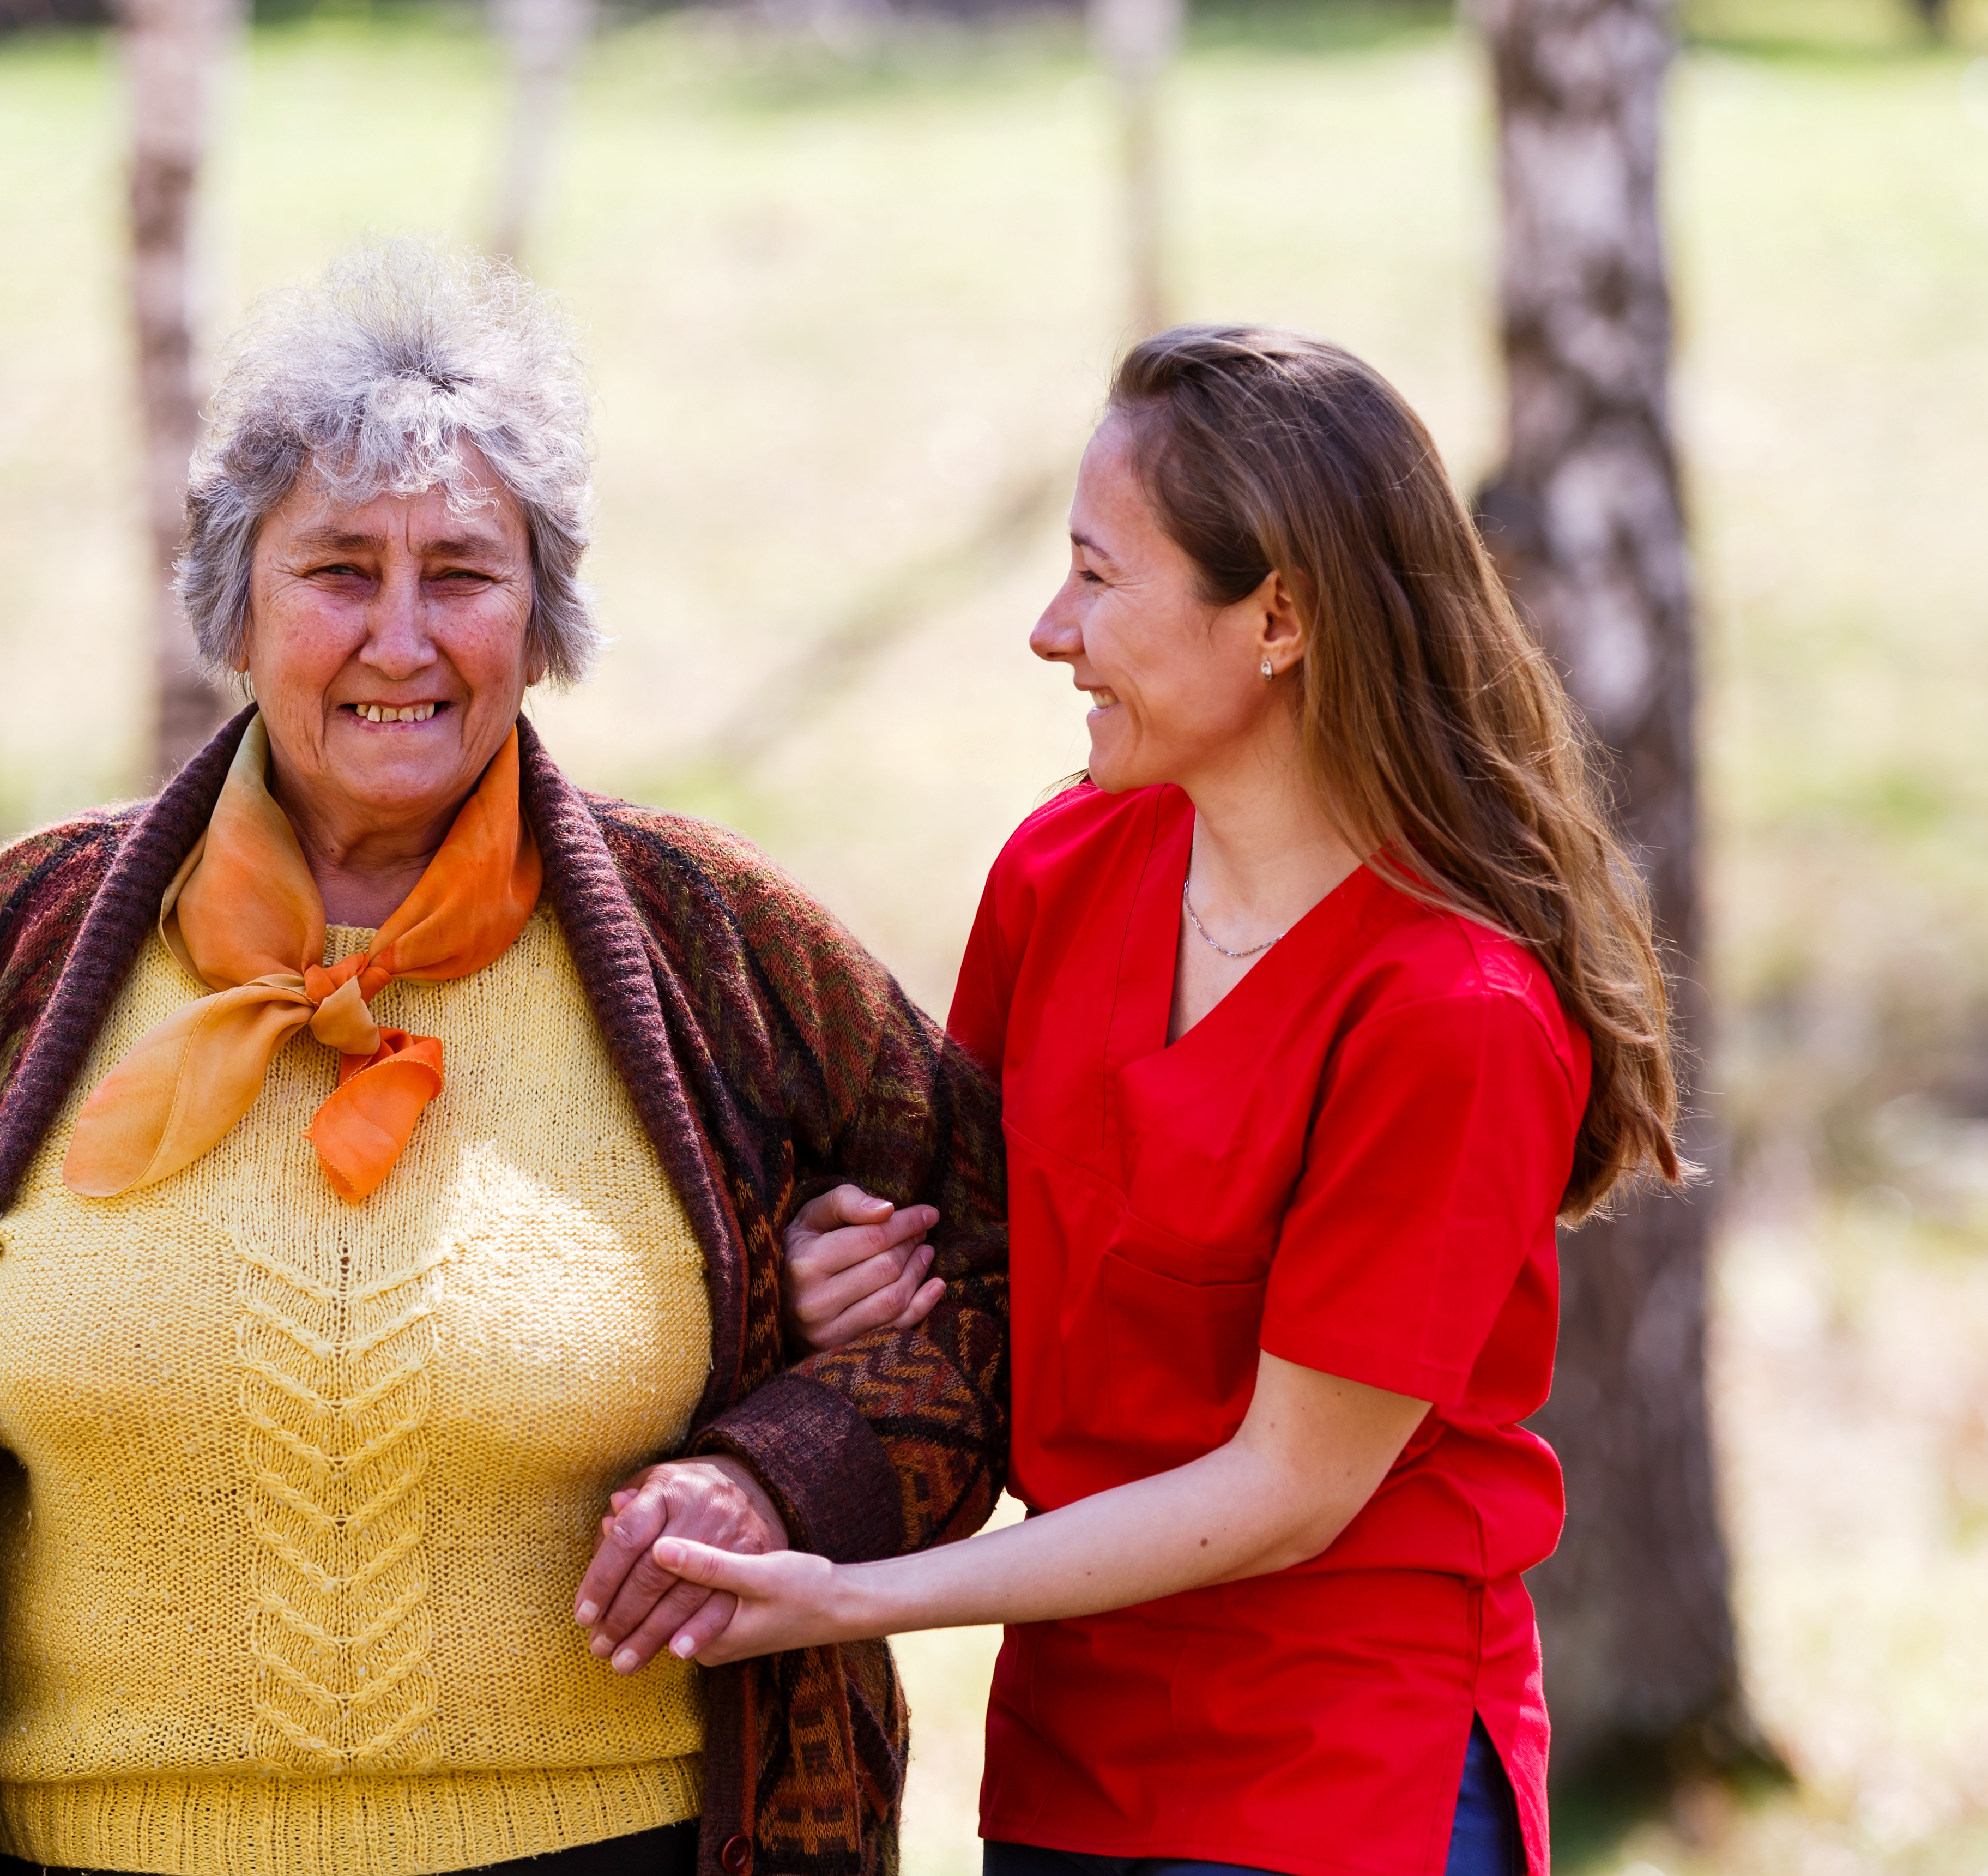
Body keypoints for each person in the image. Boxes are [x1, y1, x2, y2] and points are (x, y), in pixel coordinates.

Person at [0, 243, 1008, 1876]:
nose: (401, 638)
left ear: (541, 622)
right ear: (235, 609)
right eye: (338, 568)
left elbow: (1008, 1269)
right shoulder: (15, 956)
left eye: (462, 573)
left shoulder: (718, 947)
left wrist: (789, 1461)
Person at [650, 325, 1691, 1876]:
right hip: (1071, 1757)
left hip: (1339, 1772)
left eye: (1095, 576)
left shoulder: (1449, 1015)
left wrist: (856, 1596)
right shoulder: (1059, 874)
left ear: (1276, 617)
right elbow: (979, 1272)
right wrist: (834, 1283)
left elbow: (1288, 1487)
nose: (1046, 630)